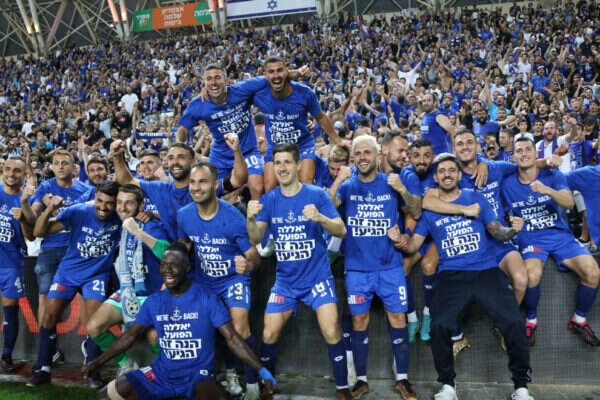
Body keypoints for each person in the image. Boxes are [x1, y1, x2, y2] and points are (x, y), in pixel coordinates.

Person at [397, 153, 533, 400]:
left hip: (485, 270)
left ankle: (521, 386)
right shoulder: (430, 211)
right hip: (451, 274)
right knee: (439, 326)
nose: (447, 174)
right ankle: (448, 385)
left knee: (514, 322)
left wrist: (513, 230)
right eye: (442, 171)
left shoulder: (476, 199)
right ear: (436, 178)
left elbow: (497, 232)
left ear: (459, 175)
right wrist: (401, 241)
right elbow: (413, 246)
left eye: (452, 170)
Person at [81, 243, 276, 400]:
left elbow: (232, 338)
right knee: (107, 395)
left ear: (187, 268)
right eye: (164, 265)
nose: (167, 270)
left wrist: (262, 371)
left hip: (197, 376)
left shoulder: (206, 298)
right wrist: (97, 362)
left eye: (174, 265)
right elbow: (129, 337)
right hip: (161, 374)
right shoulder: (154, 301)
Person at [246, 143, 352, 400]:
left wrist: (320, 219)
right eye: (277, 163)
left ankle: (342, 387)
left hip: (317, 278)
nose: (282, 168)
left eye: (287, 162)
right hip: (285, 282)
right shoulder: (270, 199)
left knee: (331, 331)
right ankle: (269, 383)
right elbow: (256, 238)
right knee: (268, 333)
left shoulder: (316, 195)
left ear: (297, 165)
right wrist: (250, 219)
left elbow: (341, 230)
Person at [329, 135, 417, 400]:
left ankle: (402, 378)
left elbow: (415, 210)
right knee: (359, 321)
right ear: (353, 157)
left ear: (378, 155)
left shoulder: (391, 182)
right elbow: (328, 209)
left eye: (368, 152)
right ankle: (362, 380)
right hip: (357, 268)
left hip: (390, 266)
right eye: (358, 153)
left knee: (398, 318)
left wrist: (402, 190)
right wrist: (337, 181)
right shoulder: (347, 185)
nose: (363, 157)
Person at [501, 134, 600, 346]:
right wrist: (511, 223)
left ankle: (579, 320)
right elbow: (502, 214)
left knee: (593, 272)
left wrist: (546, 190)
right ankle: (531, 321)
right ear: (513, 157)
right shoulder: (507, 183)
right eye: (519, 151)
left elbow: (569, 203)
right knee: (532, 275)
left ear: (535, 152)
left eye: (528, 149)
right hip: (531, 237)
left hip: (560, 235)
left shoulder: (553, 174)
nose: (524, 154)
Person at [177, 161, 262, 399]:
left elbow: (254, 256)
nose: (196, 187)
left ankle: (253, 384)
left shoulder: (233, 217)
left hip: (233, 280)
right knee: (206, 328)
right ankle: (228, 374)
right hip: (204, 281)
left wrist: (248, 265)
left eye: (202, 182)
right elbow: (183, 246)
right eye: (193, 182)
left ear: (215, 185)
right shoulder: (184, 215)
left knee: (239, 327)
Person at [27, 181, 122, 387]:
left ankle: (92, 370)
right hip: (68, 273)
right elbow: (39, 232)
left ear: (116, 203)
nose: (103, 207)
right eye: (100, 201)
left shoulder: (121, 217)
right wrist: (49, 209)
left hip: (96, 275)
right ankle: (43, 368)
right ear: (94, 197)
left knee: (94, 323)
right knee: (49, 315)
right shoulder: (79, 211)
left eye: (109, 203)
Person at [85, 184, 171, 377]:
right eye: (119, 202)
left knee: (154, 336)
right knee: (94, 327)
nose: (122, 207)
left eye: (128, 203)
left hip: (153, 293)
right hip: (128, 291)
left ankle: (164, 372)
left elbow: (169, 254)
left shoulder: (151, 226)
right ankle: (127, 364)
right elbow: (95, 205)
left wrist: (139, 233)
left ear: (141, 206)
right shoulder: (120, 222)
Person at [24, 149, 91, 366]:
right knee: (45, 298)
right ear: (51, 167)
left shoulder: (87, 190)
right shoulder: (45, 187)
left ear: (74, 167)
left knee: (85, 298)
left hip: (76, 249)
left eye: (65, 162)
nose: (60, 166)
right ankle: (48, 350)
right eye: (57, 163)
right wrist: (31, 206)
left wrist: (60, 212)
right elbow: (33, 217)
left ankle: (90, 346)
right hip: (50, 249)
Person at [110, 135, 247, 238]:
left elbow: (238, 180)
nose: (175, 162)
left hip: (204, 255)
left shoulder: (203, 187)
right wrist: (117, 156)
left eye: (181, 157)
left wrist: (236, 151)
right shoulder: (159, 189)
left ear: (193, 162)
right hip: (173, 256)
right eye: (170, 158)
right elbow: (126, 180)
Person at [253, 57, 346, 192]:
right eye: (271, 72)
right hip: (275, 146)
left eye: (280, 70)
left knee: (306, 185)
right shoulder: (259, 94)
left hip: (302, 145)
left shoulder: (305, 92)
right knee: (270, 188)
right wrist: (295, 73)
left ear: (286, 71)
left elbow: (320, 117)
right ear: (265, 75)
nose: (276, 75)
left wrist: (338, 140)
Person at [0, 157, 34, 372]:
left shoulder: (26, 201)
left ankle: (6, 356)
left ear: (24, 175)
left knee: (10, 312)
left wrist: (22, 218)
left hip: (10, 264)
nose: (11, 174)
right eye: (8, 169)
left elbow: (30, 237)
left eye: (17, 171)